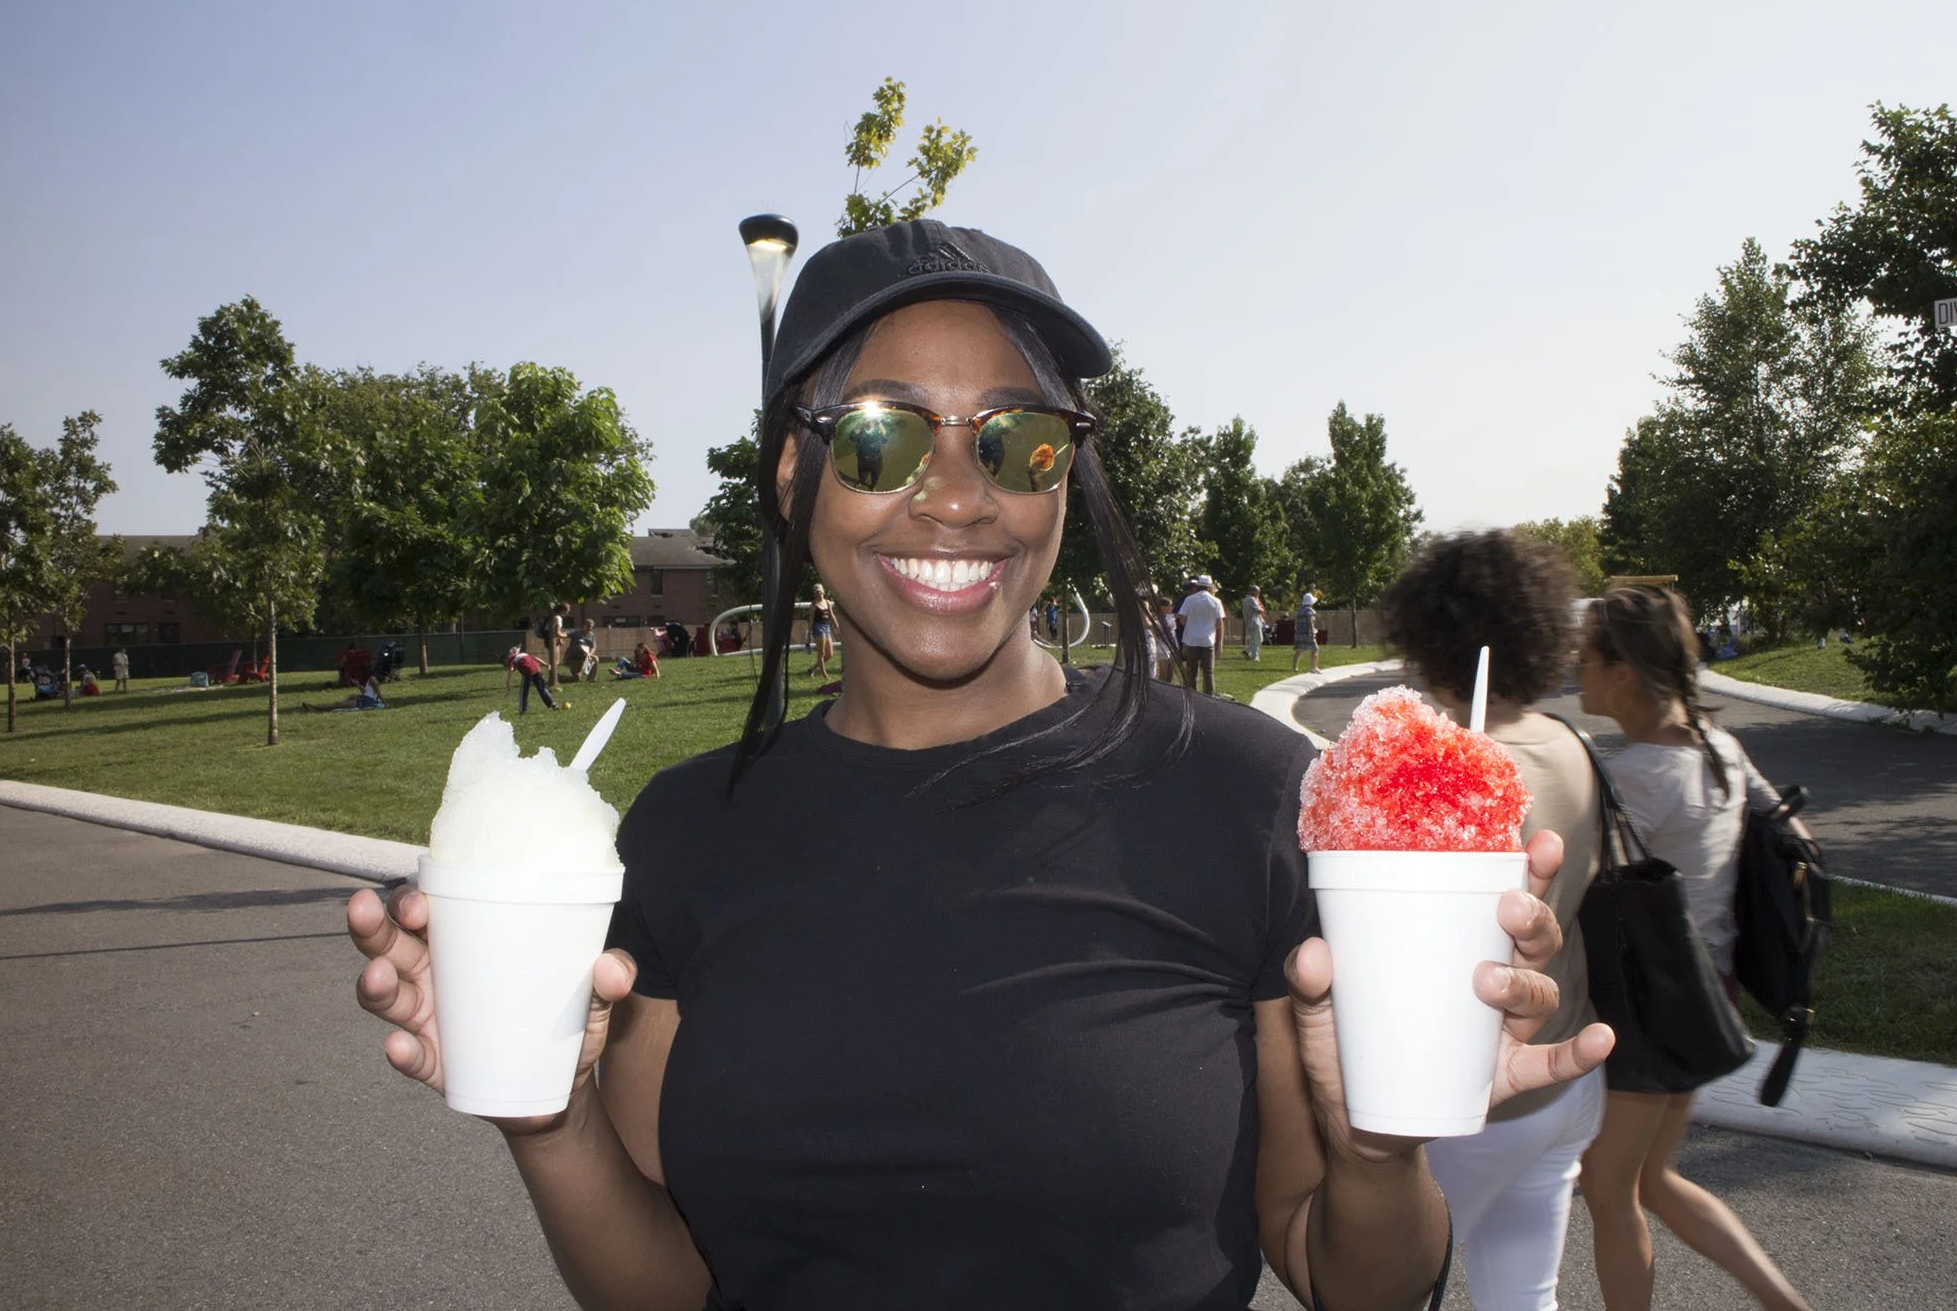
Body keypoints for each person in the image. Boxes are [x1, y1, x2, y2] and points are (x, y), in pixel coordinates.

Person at [349, 218, 1604, 1311]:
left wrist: (1378, 1148)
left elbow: (1356, 1282)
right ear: (795, 472)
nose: (957, 497)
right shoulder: (683, 833)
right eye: (882, 438)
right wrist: (547, 1121)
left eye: (1016, 441)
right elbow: (667, 1285)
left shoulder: (1243, 795)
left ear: (1067, 470)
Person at [1575, 585, 1812, 1311]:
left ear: (1623, 671)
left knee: (1608, 1187)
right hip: (1707, 994)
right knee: (1654, 1180)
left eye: (1584, 656)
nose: (1573, 668)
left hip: (1653, 1008)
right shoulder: (1719, 750)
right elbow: (1790, 835)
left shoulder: (1639, 778)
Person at [1386, 530, 1605, 1311]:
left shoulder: (1462, 766)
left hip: (1476, 1095)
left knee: (1392, 1289)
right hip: (1569, 1082)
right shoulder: (1572, 745)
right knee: (1525, 1296)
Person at [1175, 573, 1225, 695]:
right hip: (1208, 640)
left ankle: (1193, 694)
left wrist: (1191, 625)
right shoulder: (1216, 601)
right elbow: (1219, 623)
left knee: (1192, 670)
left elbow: (1182, 619)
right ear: (1209, 587)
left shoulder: (1189, 599)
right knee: (1208, 671)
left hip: (1191, 639)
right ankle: (1209, 695)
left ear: (1198, 586)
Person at [504, 644, 566, 714]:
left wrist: (508, 682)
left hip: (527, 672)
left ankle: (523, 709)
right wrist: (546, 664)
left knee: (524, 691)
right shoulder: (525, 654)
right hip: (537, 669)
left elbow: (511, 669)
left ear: (512, 653)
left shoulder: (513, 658)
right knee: (542, 689)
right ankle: (552, 704)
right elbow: (535, 658)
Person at [302, 675, 386, 712]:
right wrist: (358, 686)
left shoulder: (372, 679)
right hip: (364, 699)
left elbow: (376, 690)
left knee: (337, 704)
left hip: (365, 702)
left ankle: (314, 708)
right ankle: (314, 707)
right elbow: (366, 692)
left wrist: (381, 699)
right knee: (338, 704)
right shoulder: (369, 683)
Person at [806, 584, 836, 680]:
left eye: (820, 591)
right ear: (814, 594)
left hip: (827, 627)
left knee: (830, 654)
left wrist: (837, 626)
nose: (819, 593)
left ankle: (812, 669)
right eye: (817, 592)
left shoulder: (827, 602)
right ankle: (825, 675)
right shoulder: (813, 606)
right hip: (818, 628)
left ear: (823, 592)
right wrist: (809, 634)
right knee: (821, 653)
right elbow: (811, 621)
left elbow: (832, 616)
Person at [1292, 592, 1322, 674]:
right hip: (1307, 633)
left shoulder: (1300, 610)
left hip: (1299, 633)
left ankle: (1294, 667)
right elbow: (1310, 622)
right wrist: (1312, 633)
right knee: (1315, 649)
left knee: (1299, 650)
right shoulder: (1310, 611)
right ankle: (1314, 667)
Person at [1241, 585, 1266, 663]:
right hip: (1254, 622)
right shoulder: (1251, 599)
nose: (1258, 593)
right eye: (1258, 591)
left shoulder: (1247, 599)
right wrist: (1262, 609)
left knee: (1258, 639)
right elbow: (1259, 610)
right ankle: (1254, 657)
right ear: (1254, 591)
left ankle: (1247, 651)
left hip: (1253, 622)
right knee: (1257, 640)